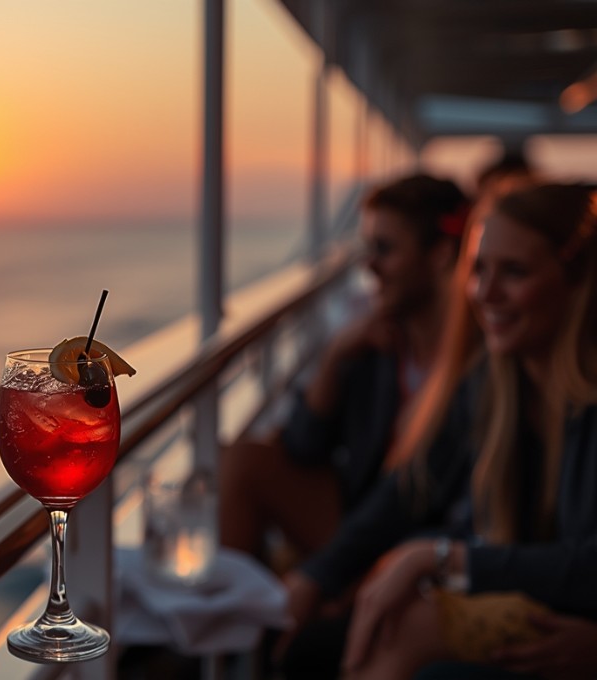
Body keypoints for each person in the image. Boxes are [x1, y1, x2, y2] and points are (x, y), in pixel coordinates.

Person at [282, 182, 597, 680]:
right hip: (531, 598)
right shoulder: (494, 382)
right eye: (479, 270)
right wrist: (317, 576)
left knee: (406, 642)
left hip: (571, 627)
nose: (485, 295)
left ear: (578, 280)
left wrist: (442, 559)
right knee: (320, 647)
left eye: (513, 272)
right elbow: (409, 488)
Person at [219, 174, 469, 570]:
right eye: (368, 248)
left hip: (424, 542)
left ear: (440, 253)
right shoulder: (378, 347)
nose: (370, 266)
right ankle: (235, 620)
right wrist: (336, 357)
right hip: (362, 515)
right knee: (239, 461)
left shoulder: (477, 362)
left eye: (384, 249)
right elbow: (304, 446)